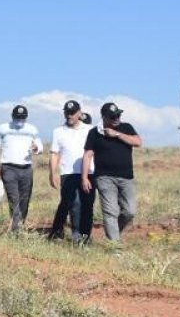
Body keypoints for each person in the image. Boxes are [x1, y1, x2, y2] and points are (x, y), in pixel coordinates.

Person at [83, 102, 143, 244]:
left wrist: (117, 134)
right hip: (104, 178)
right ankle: (114, 246)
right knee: (110, 212)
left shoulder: (126, 127)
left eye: (118, 115)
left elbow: (138, 142)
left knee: (130, 211)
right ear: (104, 117)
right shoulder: (94, 133)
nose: (116, 118)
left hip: (126, 177)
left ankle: (114, 232)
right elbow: (87, 154)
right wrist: (84, 177)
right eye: (113, 116)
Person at [48, 100, 95, 243]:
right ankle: (72, 233)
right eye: (67, 113)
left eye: (73, 113)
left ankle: (85, 235)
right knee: (71, 203)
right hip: (67, 173)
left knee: (88, 204)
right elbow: (54, 153)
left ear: (80, 113)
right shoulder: (58, 131)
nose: (70, 116)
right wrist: (52, 173)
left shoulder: (90, 129)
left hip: (89, 172)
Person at [0, 105, 43, 232]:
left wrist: (36, 148)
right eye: (17, 118)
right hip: (9, 167)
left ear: (26, 118)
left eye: (22, 118)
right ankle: (16, 229)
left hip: (26, 168)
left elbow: (40, 145)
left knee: (25, 198)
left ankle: (20, 223)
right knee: (13, 198)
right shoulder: (3, 128)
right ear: (12, 117)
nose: (19, 121)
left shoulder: (32, 129)